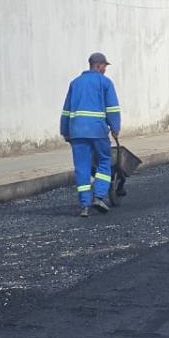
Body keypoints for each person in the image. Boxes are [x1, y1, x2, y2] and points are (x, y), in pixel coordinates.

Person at [61, 52, 121, 218]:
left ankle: (84, 206)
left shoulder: (75, 83)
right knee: (103, 162)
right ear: (99, 65)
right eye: (105, 67)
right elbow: (112, 109)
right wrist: (115, 128)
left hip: (77, 132)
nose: (105, 70)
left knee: (82, 167)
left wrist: (65, 131)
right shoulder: (105, 83)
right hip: (97, 131)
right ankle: (99, 197)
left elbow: (66, 110)